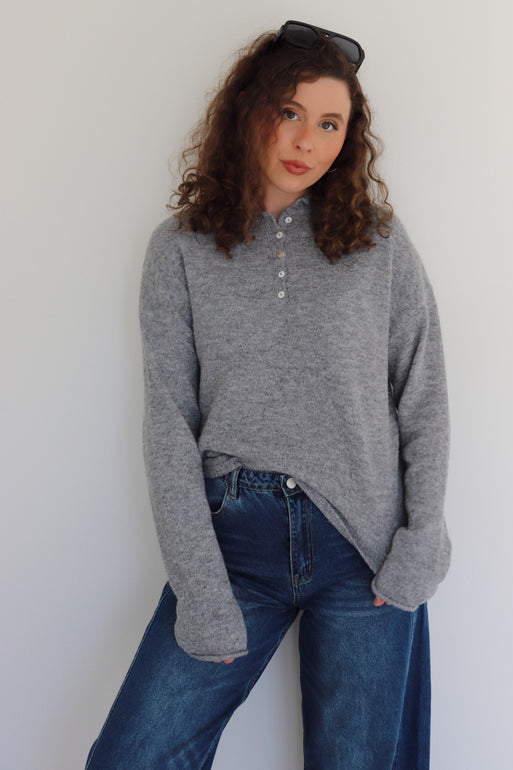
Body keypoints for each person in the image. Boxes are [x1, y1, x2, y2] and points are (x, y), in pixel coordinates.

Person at [85, 20, 451, 770]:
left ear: (347, 139)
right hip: (235, 546)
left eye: (329, 124)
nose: (306, 141)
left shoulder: (377, 242)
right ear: (249, 110)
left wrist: (418, 550)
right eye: (289, 112)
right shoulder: (180, 249)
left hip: (365, 549)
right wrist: (200, 588)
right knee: (131, 757)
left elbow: (425, 396)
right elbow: (168, 424)